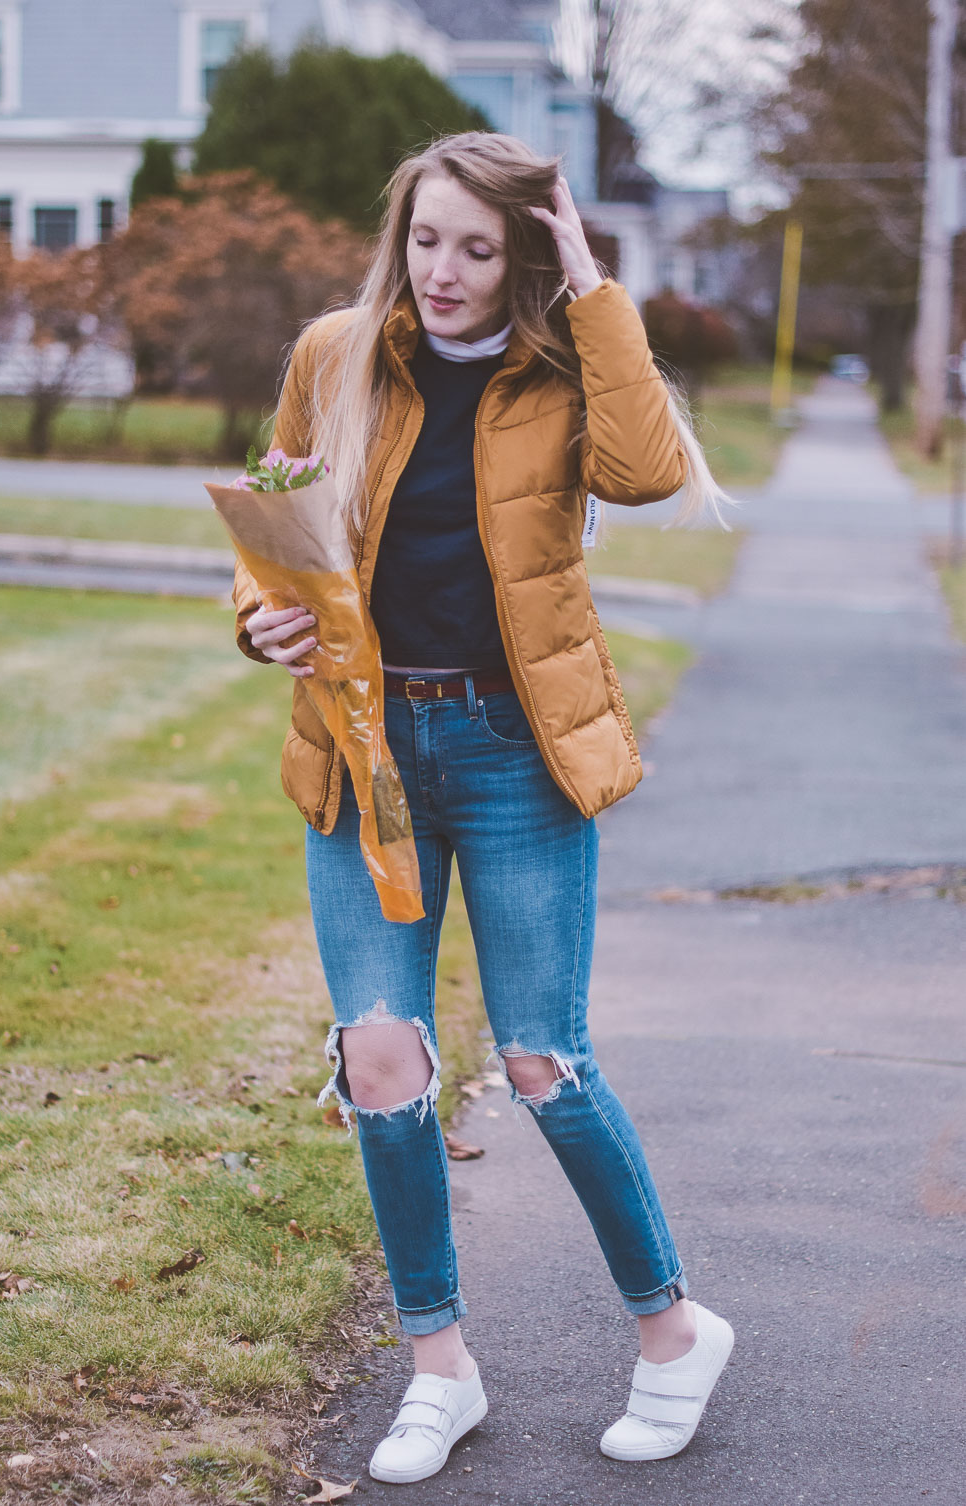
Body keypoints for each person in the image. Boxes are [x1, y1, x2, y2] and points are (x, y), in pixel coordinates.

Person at [234, 131, 735, 1485]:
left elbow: (645, 475)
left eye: (479, 247)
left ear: (522, 256)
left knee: (541, 1061)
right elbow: (269, 516)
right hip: (365, 752)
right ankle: (437, 1367)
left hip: (516, 751)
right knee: (381, 1063)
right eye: (426, 239)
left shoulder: (565, 360)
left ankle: (676, 1332)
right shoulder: (335, 355)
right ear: (396, 234)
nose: (443, 272)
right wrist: (259, 620)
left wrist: (586, 276)